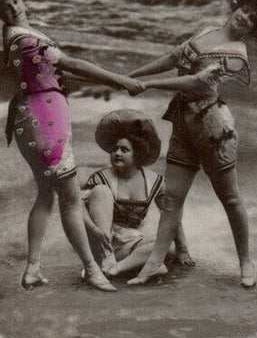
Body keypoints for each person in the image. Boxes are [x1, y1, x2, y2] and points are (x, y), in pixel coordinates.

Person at [0, 0, 142, 292]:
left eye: (15, 1)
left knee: (48, 195)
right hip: (44, 124)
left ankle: (33, 268)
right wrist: (118, 79)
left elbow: (50, 74)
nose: (14, 9)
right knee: (69, 199)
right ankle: (92, 268)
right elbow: (71, 64)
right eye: (5, 8)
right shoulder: (28, 40)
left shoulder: (15, 35)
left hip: (31, 120)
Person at [123, 0, 257, 288]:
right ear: (236, 6)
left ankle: (245, 261)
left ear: (252, 30)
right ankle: (154, 264)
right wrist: (131, 76)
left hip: (213, 128)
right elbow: (173, 58)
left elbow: (197, 83)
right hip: (185, 122)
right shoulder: (205, 32)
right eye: (245, 10)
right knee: (172, 198)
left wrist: (149, 85)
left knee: (230, 197)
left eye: (252, 19)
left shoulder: (237, 56)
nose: (245, 17)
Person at [81, 109, 193, 278]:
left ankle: (116, 268)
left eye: (124, 150)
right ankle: (107, 260)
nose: (117, 153)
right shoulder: (101, 178)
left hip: (130, 244)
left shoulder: (155, 181)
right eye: (115, 149)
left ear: (137, 154)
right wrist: (94, 230)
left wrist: (182, 249)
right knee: (101, 191)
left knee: (167, 247)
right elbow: (75, 207)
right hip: (100, 241)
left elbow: (171, 214)